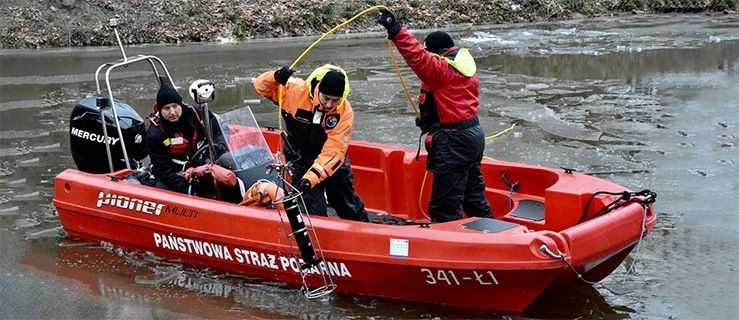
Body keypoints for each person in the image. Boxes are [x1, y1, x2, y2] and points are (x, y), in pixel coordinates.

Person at [378, 9, 493, 223]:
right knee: (473, 197)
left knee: (443, 208)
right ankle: (493, 239)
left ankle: (453, 251)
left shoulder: (441, 70)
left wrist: (396, 30)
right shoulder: (463, 68)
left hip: (453, 142)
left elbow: (417, 57)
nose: (427, 54)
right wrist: (431, 121)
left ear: (438, 52)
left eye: (429, 52)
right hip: (471, 136)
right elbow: (452, 102)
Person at [253, 64, 369, 222]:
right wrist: (275, 77)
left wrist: (312, 177)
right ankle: (319, 242)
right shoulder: (295, 91)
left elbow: (335, 150)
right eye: (326, 98)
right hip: (300, 158)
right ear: (319, 89)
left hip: (331, 161)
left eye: (335, 100)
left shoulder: (344, 112)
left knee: (345, 203)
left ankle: (362, 228)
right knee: (314, 210)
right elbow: (260, 86)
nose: (329, 104)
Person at [145, 80, 228, 195]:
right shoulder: (155, 134)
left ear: (181, 105)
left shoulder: (198, 114)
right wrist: (188, 189)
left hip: (203, 164)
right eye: (167, 108)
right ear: (159, 109)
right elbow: (163, 170)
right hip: (176, 173)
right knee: (164, 188)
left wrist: (219, 146)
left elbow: (219, 131)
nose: (172, 112)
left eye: (175, 106)